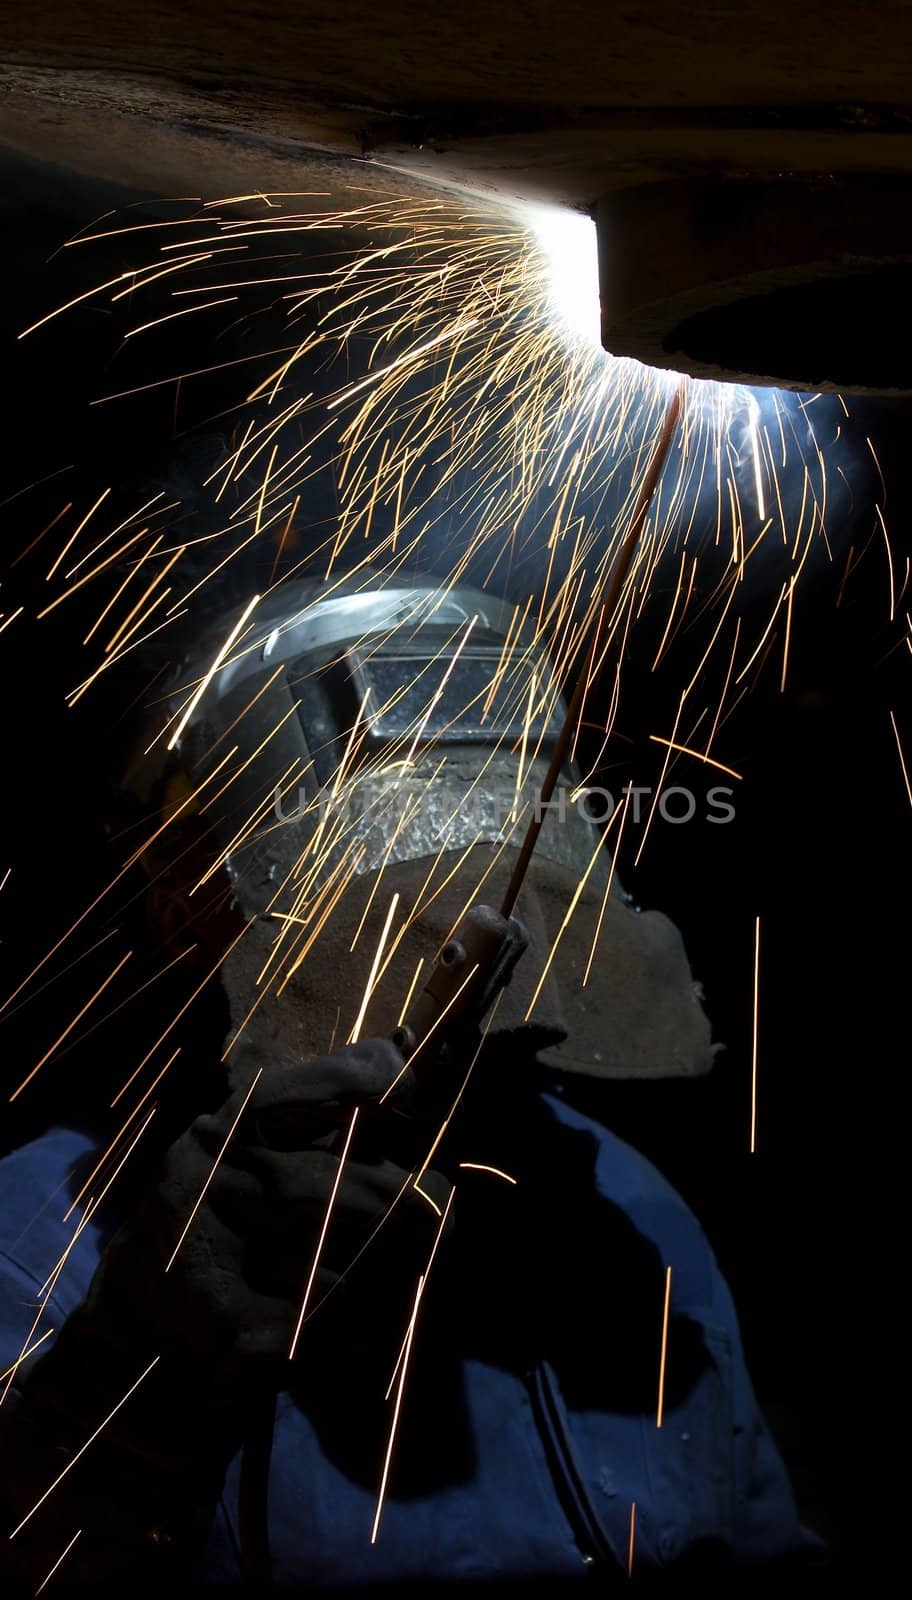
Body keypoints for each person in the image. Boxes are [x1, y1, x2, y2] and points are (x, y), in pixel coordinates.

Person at [0, 582, 822, 1590]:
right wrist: (127, 1385)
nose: (444, 952)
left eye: (475, 886)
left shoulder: (626, 1199)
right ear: (185, 902)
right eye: (372, 912)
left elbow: (762, 1547)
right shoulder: (37, 1239)